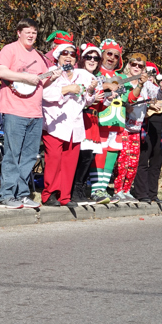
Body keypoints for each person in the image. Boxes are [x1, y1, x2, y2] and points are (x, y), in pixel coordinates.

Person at [0, 18, 57, 209]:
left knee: (29, 156)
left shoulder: (39, 56)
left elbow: (41, 83)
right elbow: (2, 73)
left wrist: (53, 78)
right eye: (27, 31)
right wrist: (25, 76)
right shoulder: (10, 49)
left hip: (36, 112)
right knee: (12, 154)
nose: (31, 35)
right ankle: (6, 196)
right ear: (19, 33)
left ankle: (22, 194)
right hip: (15, 110)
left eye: (34, 32)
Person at [40, 42, 98, 207]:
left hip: (75, 124)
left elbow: (87, 100)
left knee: (69, 163)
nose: (68, 56)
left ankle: (64, 196)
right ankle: (49, 195)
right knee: (54, 161)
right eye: (65, 53)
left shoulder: (83, 75)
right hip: (55, 124)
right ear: (58, 56)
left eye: (72, 54)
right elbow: (44, 94)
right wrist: (66, 89)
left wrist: (91, 91)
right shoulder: (51, 72)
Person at [112, 52, 152, 203]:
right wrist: (125, 105)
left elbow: (156, 98)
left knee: (134, 162)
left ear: (143, 69)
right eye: (133, 64)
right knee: (123, 160)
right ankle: (118, 190)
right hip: (124, 126)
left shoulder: (146, 84)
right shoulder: (124, 80)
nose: (136, 67)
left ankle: (127, 190)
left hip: (137, 128)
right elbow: (115, 98)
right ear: (128, 65)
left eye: (140, 66)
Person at [90, 38, 125, 203]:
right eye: (109, 54)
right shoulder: (96, 74)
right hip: (101, 120)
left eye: (116, 56)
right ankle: (95, 189)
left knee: (111, 155)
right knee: (100, 154)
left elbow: (128, 98)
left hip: (117, 122)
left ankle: (103, 189)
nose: (111, 58)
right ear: (102, 54)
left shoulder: (119, 76)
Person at [70, 43, 103, 205]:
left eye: (95, 58)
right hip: (82, 118)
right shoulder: (77, 73)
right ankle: (75, 190)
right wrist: (91, 98)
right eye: (88, 57)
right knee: (82, 157)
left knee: (88, 157)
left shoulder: (96, 78)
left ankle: (81, 188)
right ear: (82, 59)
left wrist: (106, 100)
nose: (92, 60)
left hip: (93, 121)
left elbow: (100, 104)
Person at [132, 62, 162, 204]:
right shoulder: (141, 89)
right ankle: (142, 193)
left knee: (156, 164)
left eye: (153, 74)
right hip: (145, 129)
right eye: (148, 73)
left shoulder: (158, 91)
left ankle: (153, 194)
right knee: (143, 162)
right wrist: (149, 104)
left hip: (161, 132)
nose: (151, 77)